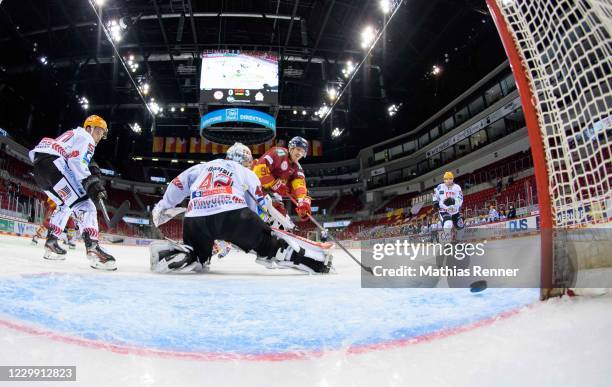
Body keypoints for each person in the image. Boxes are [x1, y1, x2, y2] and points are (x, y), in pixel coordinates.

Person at [150, 143, 332, 274]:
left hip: (194, 220)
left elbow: (177, 185)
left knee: (199, 260)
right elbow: (255, 204)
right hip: (233, 215)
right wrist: (263, 230)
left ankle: (182, 255)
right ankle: (316, 263)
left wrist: (162, 208)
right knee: (272, 247)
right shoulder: (247, 172)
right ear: (247, 161)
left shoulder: (202, 167)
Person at [28, 115, 116, 270]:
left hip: (40, 170)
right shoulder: (86, 137)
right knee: (86, 205)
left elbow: (74, 158)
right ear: (89, 128)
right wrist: (93, 184)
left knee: (65, 205)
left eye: (102, 134)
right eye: (99, 132)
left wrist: (90, 169)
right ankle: (94, 249)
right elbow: (76, 162)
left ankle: (51, 243)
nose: (100, 137)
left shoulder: (74, 134)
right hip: (55, 166)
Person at [252, 136, 312, 221]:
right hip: (255, 186)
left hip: (272, 193)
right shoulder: (278, 153)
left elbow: (299, 186)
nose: (299, 154)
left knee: (281, 216)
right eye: (298, 149)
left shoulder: (298, 168)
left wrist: (303, 202)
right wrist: (275, 184)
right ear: (291, 148)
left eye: (302, 152)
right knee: (263, 214)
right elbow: (258, 170)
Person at [432, 172, 465, 237]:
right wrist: (435, 202)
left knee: (460, 227)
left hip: (455, 211)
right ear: (444, 180)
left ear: (453, 179)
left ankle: (460, 243)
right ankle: (446, 242)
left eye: (450, 178)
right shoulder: (439, 187)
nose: (448, 180)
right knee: (448, 224)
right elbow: (435, 196)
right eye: (446, 179)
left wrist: (453, 201)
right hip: (444, 211)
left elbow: (461, 199)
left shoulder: (457, 187)